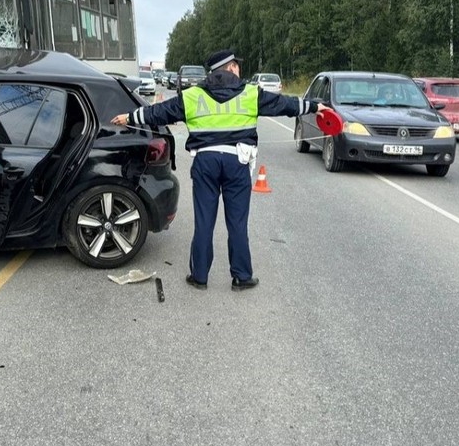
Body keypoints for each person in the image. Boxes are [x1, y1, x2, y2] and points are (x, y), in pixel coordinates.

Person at [111, 49, 328, 291]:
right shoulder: (250, 93)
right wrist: (314, 107)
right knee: (237, 223)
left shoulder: (193, 95)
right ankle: (242, 277)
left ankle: (200, 277)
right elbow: (285, 105)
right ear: (231, 67)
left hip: (205, 163)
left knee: (204, 222)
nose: (239, 69)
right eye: (237, 65)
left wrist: (130, 117)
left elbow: (160, 112)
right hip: (237, 163)